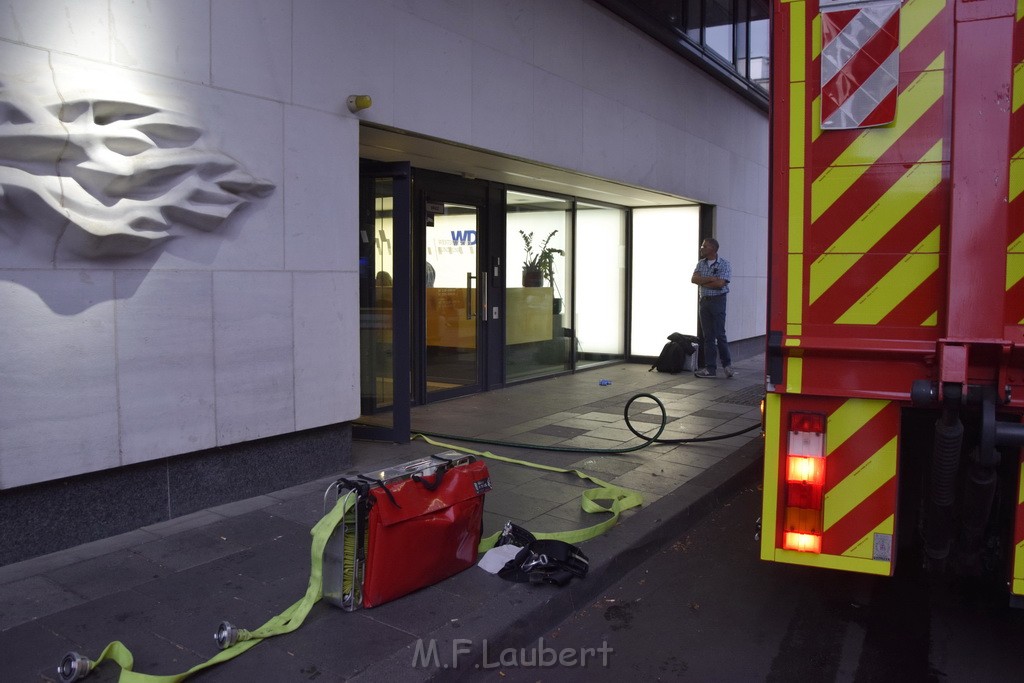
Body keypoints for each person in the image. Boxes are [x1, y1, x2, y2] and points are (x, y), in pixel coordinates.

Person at [690, 237, 734, 378]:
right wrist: (710, 279)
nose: (701, 248)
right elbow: (694, 279)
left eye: (704, 246)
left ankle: (727, 365)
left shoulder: (724, 264)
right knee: (708, 336)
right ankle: (711, 369)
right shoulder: (701, 264)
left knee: (720, 334)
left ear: (713, 249)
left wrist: (703, 281)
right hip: (704, 302)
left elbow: (720, 284)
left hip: (718, 301)